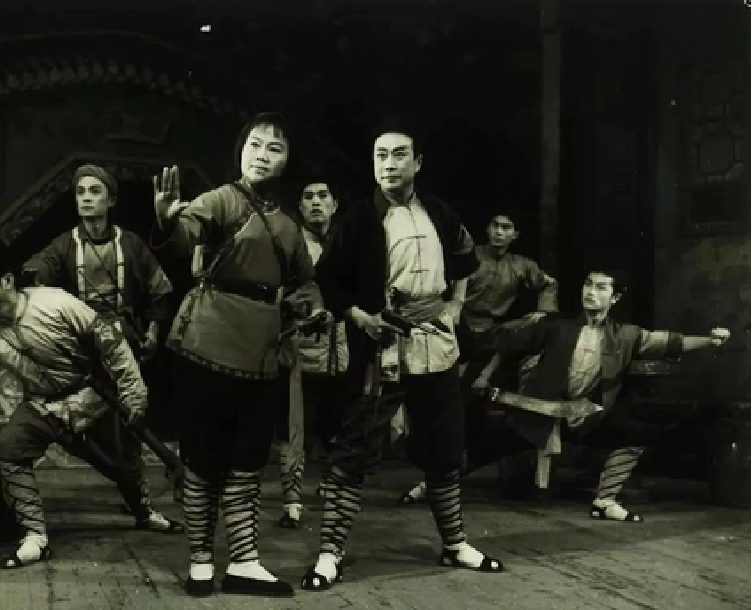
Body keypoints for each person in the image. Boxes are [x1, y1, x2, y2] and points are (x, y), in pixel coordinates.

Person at [301, 118, 505, 592]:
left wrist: (454, 307)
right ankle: (330, 554)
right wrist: (360, 317)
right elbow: (328, 279)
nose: (389, 164)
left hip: (437, 343)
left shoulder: (439, 212)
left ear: (417, 162)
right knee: (353, 450)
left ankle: (455, 544)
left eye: (398, 155)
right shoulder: (358, 218)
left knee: (444, 447)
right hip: (382, 347)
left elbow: (465, 260)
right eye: (380, 155)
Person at [0, 242, 183, 570]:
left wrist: (133, 391)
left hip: (93, 400)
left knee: (123, 466)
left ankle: (144, 513)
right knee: (10, 447)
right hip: (43, 407)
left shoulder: (55, 303)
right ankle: (35, 537)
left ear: (6, 280)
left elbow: (110, 341)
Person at [151, 112, 326, 598]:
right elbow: (186, 232)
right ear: (240, 150)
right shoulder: (221, 200)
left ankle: (245, 561)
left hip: (263, 353)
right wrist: (167, 218)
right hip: (209, 343)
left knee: (249, 460)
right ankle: (201, 561)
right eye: (255, 144)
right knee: (203, 458)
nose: (262, 155)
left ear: (287, 161)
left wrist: (312, 307)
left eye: (274, 148)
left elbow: (305, 282)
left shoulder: (288, 225)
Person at [473, 269, 731, 521]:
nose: (591, 292)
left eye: (600, 287)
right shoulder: (556, 325)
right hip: (540, 416)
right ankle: (446, 485)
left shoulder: (625, 336)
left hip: (583, 418)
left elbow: (671, 343)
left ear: (614, 298)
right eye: (588, 284)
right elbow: (508, 345)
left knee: (636, 434)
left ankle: (605, 502)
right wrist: (484, 376)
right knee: (481, 450)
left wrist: (710, 341)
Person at [22, 163, 182, 501]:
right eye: (81, 192)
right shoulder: (64, 245)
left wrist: (153, 333)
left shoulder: (132, 244)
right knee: (84, 421)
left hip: (124, 340)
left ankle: (137, 494)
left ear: (111, 200)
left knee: (130, 421)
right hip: (82, 345)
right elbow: (40, 269)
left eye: (95, 192)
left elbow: (159, 288)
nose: (86, 198)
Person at [400, 209, 559, 503]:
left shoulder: (520, 265)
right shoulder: (472, 259)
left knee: (497, 365)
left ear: (515, 235)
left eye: (506, 227)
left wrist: (543, 311)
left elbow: (548, 283)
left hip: (493, 334)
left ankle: (462, 454)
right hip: (460, 325)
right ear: (487, 229)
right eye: (495, 226)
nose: (499, 232)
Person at [276, 173, 349, 529]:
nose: (316, 202)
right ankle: (292, 499)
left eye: (323, 195)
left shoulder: (345, 245)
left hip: (339, 349)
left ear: (334, 204)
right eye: (308, 197)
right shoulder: (290, 246)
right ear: (300, 206)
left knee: (336, 424)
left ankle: (332, 486)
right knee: (295, 428)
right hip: (299, 349)